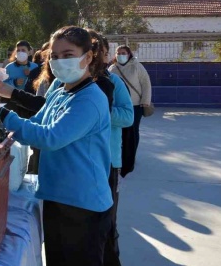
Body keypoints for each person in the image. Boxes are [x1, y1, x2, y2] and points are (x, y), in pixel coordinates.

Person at [0, 26, 113, 266]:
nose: (60, 62)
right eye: (55, 56)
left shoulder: (90, 98)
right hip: (57, 195)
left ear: (88, 57)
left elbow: (50, 138)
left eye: (68, 55)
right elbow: (36, 124)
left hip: (83, 204)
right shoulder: (60, 91)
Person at [91, 33, 133, 266]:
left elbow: (127, 116)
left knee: (108, 222)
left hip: (107, 162)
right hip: (81, 163)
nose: (100, 57)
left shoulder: (114, 83)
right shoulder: (67, 83)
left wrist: (103, 113)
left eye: (104, 53)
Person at [109, 45, 152, 177]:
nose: (120, 55)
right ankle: (120, 157)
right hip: (118, 106)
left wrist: (146, 100)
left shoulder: (137, 66)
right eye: (118, 53)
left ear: (129, 54)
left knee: (132, 133)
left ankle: (130, 158)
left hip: (135, 105)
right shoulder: (112, 69)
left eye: (123, 53)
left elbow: (146, 83)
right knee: (119, 133)